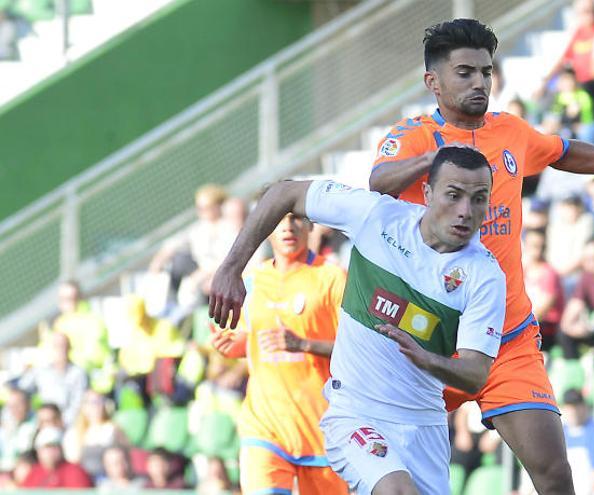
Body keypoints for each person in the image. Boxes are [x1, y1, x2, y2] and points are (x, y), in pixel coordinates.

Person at [366, 18, 594, 494]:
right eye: (465, 73)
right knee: (396, 481)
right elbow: (378, 181)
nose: (480, 83)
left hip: (505, 337)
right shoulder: (413, 136)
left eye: (487, 72)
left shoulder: (509, 131)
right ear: (433, 81)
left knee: (555, 474)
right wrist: (436, 159)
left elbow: (560, 151)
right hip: (427, 339)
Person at [209, 146, 508, 495]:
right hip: (355, 413)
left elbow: (475, 375)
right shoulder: (379, 217)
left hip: (424, 425)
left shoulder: (485, 275)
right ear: (427, 193)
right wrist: (231, 267)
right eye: (453, 196)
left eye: (478, 199)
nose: (465, 212)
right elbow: (284, 192)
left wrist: (428, 359)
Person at [209, 210, 349, 495]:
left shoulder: (332, 278)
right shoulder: (252, 281)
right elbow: (251, 340)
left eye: (296, 218)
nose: (288, 227)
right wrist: (231, 346)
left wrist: (305, 345)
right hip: (264, 425)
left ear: (310, 225)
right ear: (265, 227)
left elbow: (358, 351)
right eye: (279, 219)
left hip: (322, 428)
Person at [17, 332, 88, 427]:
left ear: (69, 348)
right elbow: (22, 389)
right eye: (57, 346)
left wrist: (62, 423)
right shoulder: (41, 371)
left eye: (64, 345)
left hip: (69, 424)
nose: (61, 349)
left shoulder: (78, 373)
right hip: (44, 422)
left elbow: (78, 402)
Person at [62, 389, 129, 478]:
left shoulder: (112, 429)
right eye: (92, 402)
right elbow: (72, 461)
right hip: (83, 480)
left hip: (109, 480)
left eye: (100, 401)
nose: (97, 406)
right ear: (83, 406)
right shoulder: (73, 434)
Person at [559, 389, 594, 495]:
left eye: (576, 406)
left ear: (583, 407)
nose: (573, 411)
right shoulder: (561, 432)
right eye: (569, 407)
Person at [52, 280, 110, 372]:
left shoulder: (93, 321)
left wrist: (70, 366)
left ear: (79, 298)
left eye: (70, 299)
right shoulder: (60, 324)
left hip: (92, 378)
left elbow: (97, 355)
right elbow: (49, 350)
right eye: (62, 299)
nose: (65, 304)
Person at [522, 228, 565, 351]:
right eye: (534, 246)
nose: (538, 250)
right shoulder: (523, 271)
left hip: (546, 326)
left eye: (541, 246)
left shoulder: (549, 273)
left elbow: (543, 310)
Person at [20, 426, 93, 488]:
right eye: (47, 447)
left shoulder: (75, 471)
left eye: (55, 446)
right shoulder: (34, 472)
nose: (50, 451)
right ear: (38, 451)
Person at [0, 387, 36, 472]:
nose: (14, 409)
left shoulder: (36, 425)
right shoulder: (6, 426)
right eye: (11, 406)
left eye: (18, 404)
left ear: (28, 404)